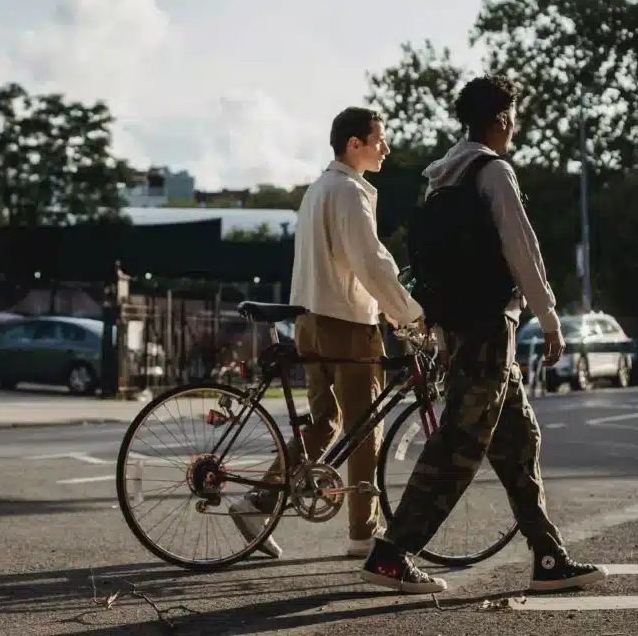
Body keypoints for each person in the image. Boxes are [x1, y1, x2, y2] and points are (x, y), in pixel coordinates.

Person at [359, 75, 609, 594]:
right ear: (500, 120)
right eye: (512, 117)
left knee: (519, 441)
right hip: (491, 327)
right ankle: (392, 551)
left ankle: (547, 556)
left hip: (462, 326)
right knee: (458, 446)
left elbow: (433, 266)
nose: (514, 127)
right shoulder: (494, 172)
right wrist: (549, 318)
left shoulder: (442, 177)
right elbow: (523, 251)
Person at [229, 106, 426, 559]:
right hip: (347, 324)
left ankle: (258, 499)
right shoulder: (349, 193)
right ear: (353, 144)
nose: (386, 148)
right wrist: (409, 313)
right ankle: (363, 533)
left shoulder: (317, 190)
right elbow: (370, 263)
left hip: (309, 321)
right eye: (379, 140)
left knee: (324, 423)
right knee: (363, 430)